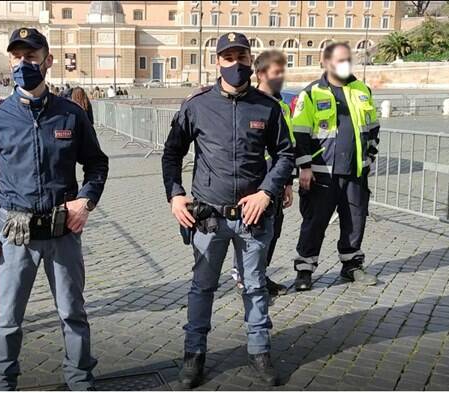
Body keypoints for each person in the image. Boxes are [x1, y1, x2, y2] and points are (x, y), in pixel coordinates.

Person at [0, 27, 109, 391]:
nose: (24, 63)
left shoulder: (70, 115)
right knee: (8, 317)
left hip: (63, 230)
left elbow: (97, 164)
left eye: (32, 56)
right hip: (15, 233)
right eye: (17, 57)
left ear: (48, 60)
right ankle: (3, 383)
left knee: (73, 313)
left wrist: (86, 202)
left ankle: (80, 380)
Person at [162, 32, 294, 388]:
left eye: (241, 56)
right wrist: (175, 195)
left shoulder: (267, 107)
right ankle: (194, 355)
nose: (235, 64)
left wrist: (268, 191)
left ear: (251, 60)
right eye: (228, 57)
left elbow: (285, 155)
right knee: (202, 287)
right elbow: (172, 153)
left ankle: (259, 350)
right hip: (208, 217)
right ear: (216, 61)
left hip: (253, 218)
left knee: (254, 287)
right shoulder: (197, 105)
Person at [291, 42, 380, 290]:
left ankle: (351, 265)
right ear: (326, 62)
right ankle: (305, 270)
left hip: (355, 172)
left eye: (347, 60)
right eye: (340, 60)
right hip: (322, 173)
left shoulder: (362, 90)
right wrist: (304, 166)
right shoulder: (311, 93)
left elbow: (373, 128)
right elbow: (300, 133)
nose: (345, 65)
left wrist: (370, 156)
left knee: (355, 220)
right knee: (314, 222)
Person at [231, 50, 294, 298]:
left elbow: (286, 149)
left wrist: (288, 182)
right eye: (276, 72)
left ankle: (260, 274)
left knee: (273, 232)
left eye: (282, 72)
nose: (281, 77)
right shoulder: (249, 103)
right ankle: (243, 276)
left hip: (275, 183)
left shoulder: (280, 105)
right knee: (250, 235)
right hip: (254, 185)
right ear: (260, 74)